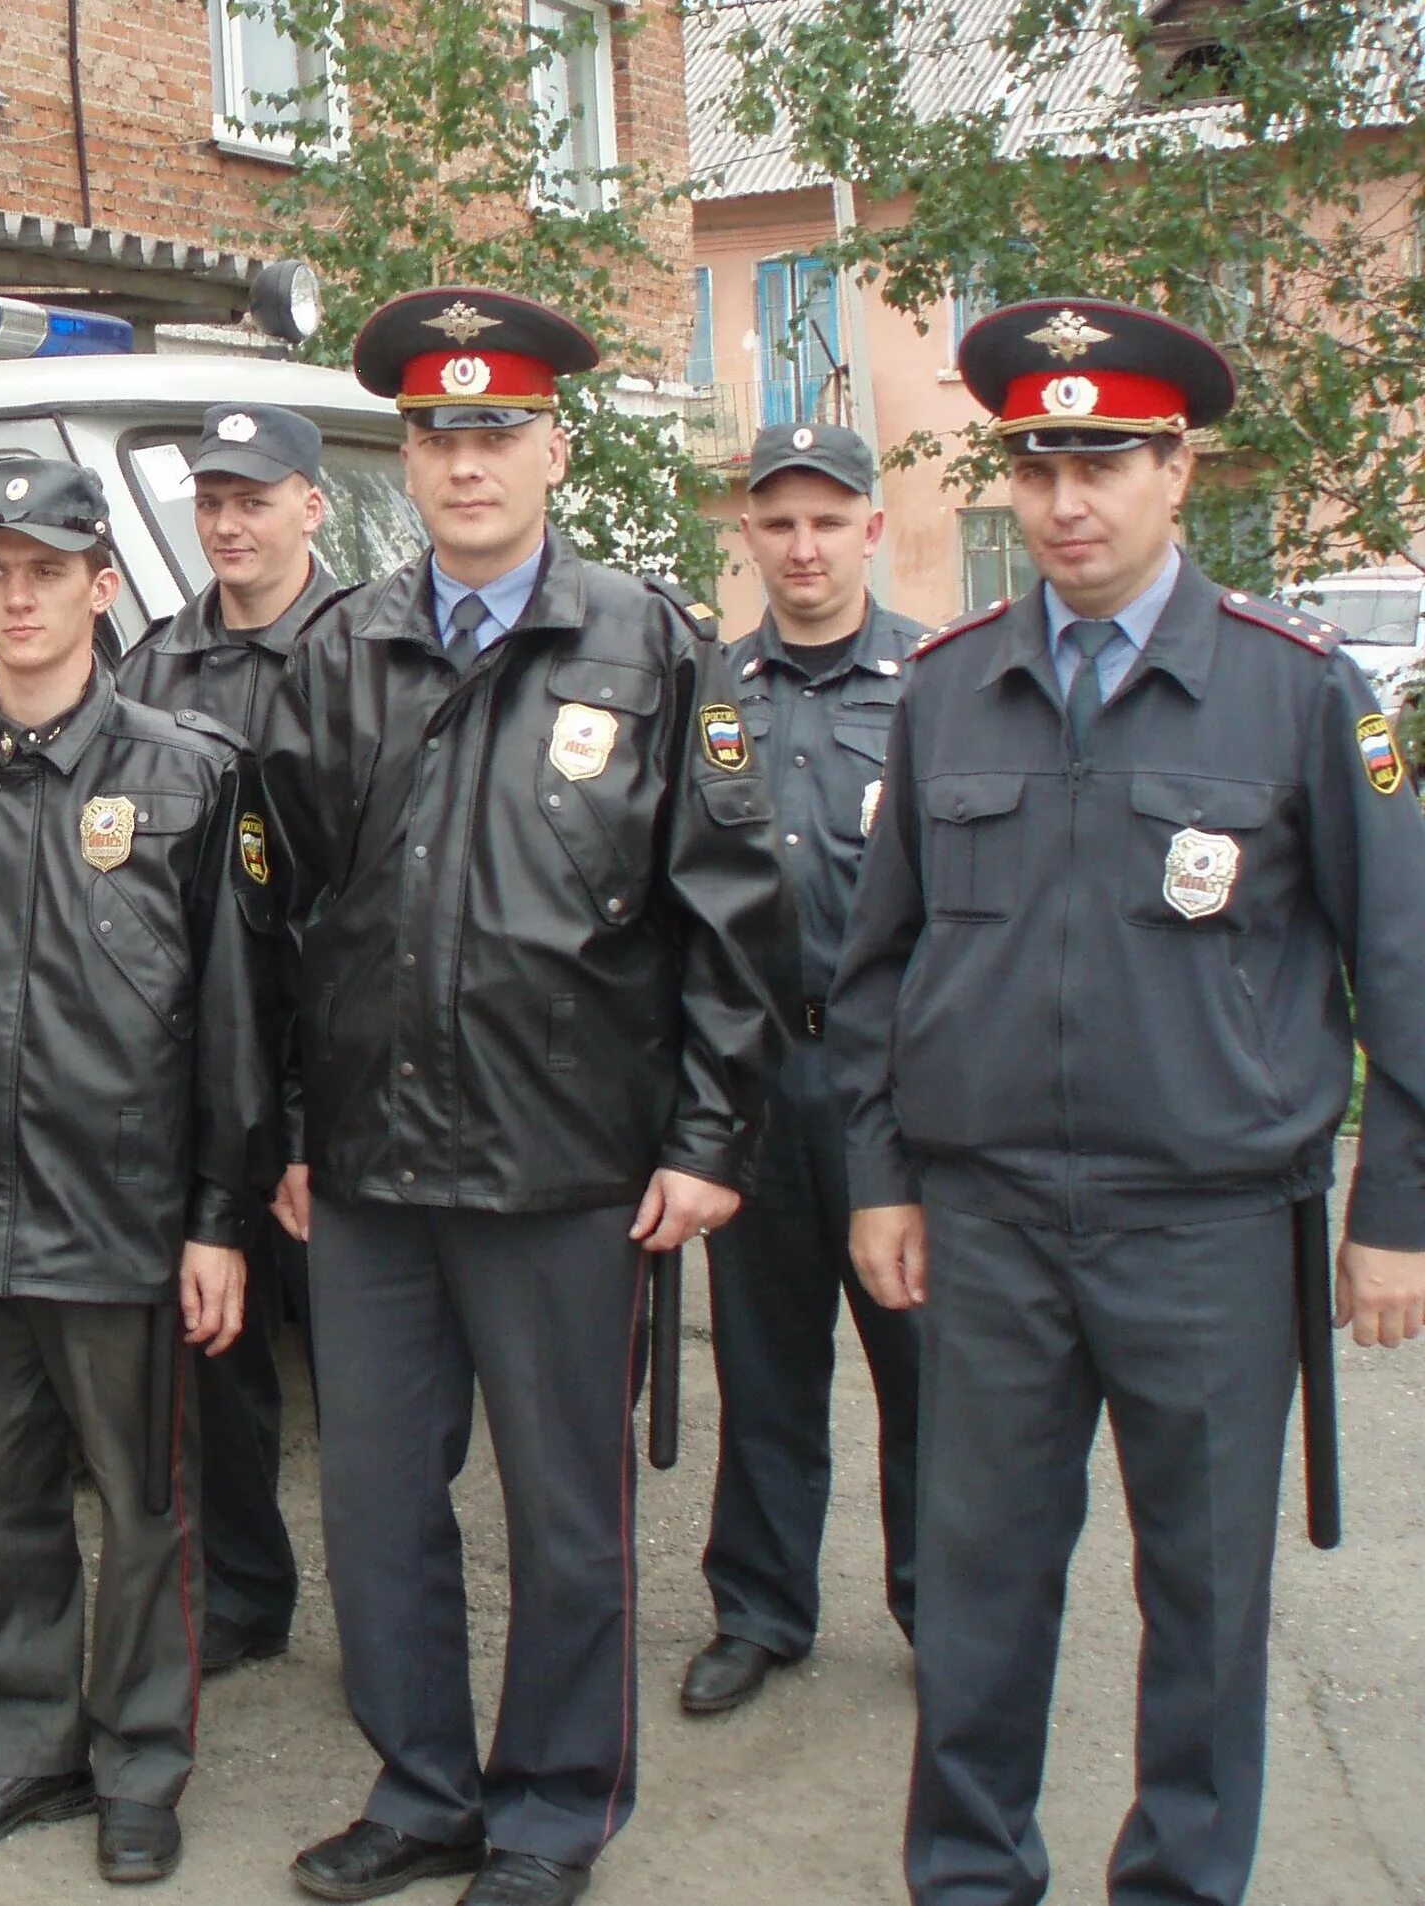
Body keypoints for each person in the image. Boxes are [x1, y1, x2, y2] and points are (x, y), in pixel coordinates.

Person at [829, 299, 1425, 1906]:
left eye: (1103, 460)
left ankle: (1179, 1883)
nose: (1065, 501)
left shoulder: (1298, 689)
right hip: (993, 1224)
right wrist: (880, 1176)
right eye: (1037, 464)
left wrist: (1397, 1218)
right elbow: (875, 966)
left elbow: (1404, 966)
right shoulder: (951, 687)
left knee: (1207, 1601)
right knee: (978, 1595)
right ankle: (968, 1877)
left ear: (1178, 465)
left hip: (1212, 1227)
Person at [266, 289, 788, 1906]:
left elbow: (732, 914)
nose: (468, 461)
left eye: (496, 431)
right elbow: (281, 921)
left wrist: (709, 1138)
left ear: (554, 447)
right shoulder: (341, 648)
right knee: (374, 1508)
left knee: (568, 1521)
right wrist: (284, 1133)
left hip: (567, 1167)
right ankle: (422, 1787)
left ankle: (554, 1809)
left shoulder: (651, 643)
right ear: (404, 459)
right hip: (367, 1172)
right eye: (439, 433)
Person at [0, 458, 281, 1885]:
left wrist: (218, 1216)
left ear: (104, 585)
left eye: (47, 569)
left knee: (150, 1507)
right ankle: (26, 1750)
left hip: (123, 1221)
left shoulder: (188, 770)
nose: (18, 595)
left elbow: (231, 1017)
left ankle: (143, 1764)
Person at [682, 421, 924, 1718]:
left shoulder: (938, 684)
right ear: (752, 536)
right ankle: (761, 1609)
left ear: (870, 528)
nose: (805, 545)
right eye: (779, 522)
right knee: (767, 1367)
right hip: (759, 1080)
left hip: (899, 1097)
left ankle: (944, 1607)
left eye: (829, 519)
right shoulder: (712, 692)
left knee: (927, 1371)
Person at [114, 402, 351, 1680]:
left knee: (363, 1368)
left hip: (338, 1057)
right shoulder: (155, 666)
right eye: (211, 500)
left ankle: (385, 1617)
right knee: (219, 1352)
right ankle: (245, 1594)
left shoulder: (367, 647)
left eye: (253, 498)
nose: (228, 523)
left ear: (311, 506)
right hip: (206, 1060)